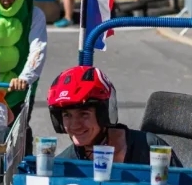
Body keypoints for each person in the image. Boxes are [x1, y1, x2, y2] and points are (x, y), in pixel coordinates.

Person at [47, 66, 183, 166]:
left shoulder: (151, 149)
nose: (75, 125)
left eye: (84, 114)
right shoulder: (65, 165)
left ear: (104, 114)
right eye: (67, 115)